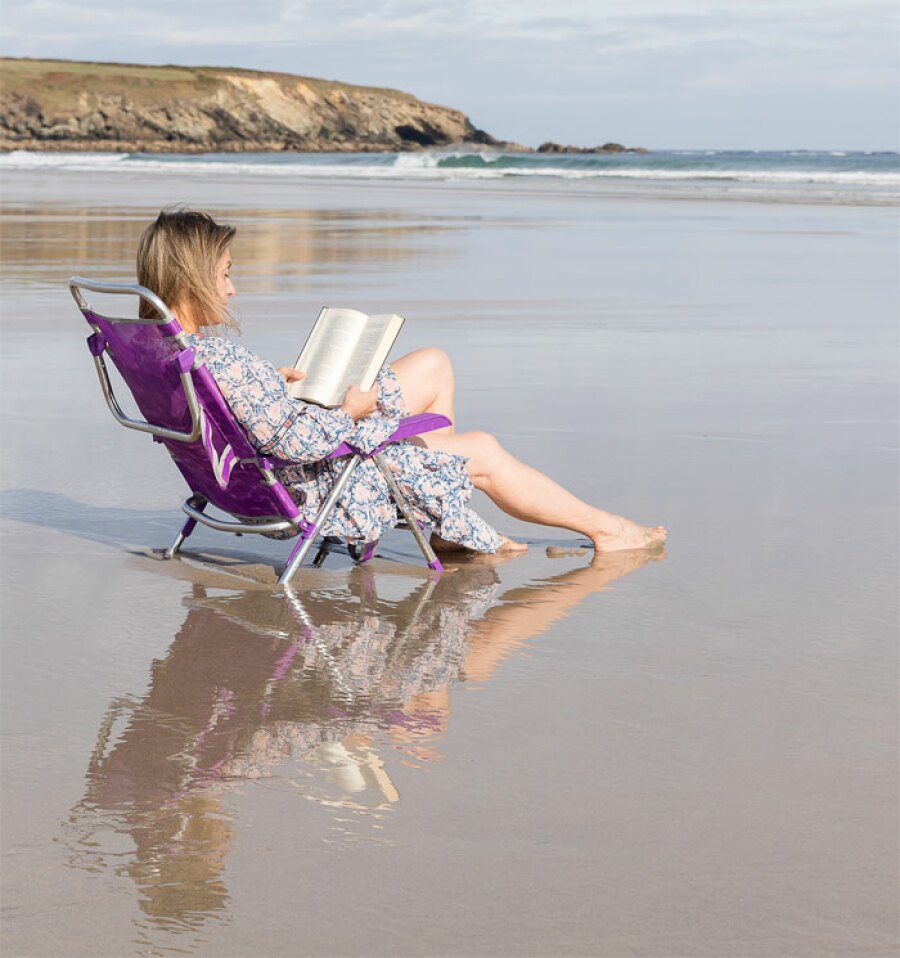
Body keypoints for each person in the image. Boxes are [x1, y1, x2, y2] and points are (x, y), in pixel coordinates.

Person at [136, 209, 666, 555]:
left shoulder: (167, 352)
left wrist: (270, 384)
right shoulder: (219, 358)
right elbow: (296, 442)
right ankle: (607, 531)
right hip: (312, 479)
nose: (232, 288)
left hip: (255, 466)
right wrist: (351, 412)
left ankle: (443, 518)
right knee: (480, 449)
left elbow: (233, 415)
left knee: (433, 364)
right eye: (226, 273)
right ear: (192, 279)